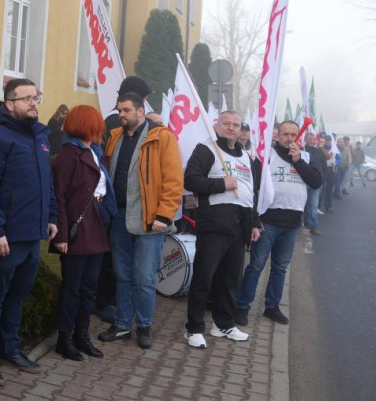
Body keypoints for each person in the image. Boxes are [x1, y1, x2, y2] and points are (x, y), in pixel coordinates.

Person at [0, 79, 58, 385]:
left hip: (32, 235)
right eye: (27, 99)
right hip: (6, 237)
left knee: (18, 297)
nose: (34, 103)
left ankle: (9, 348)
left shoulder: (40, 137)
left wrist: (51, 216)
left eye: (36, 98)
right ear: (9, 104)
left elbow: (46, 182)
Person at [98, 92, 183, 349]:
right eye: (119, 110)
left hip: (150, 220)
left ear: (140, 110)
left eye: (125, 110)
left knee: (144, 277)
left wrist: (163, 215)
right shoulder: (114, 138)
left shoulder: (163, 138)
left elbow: (173, 181)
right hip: (119, 216)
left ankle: (144, 325)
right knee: (122, 274)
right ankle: (123, 325)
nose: (121, 115)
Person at [183, 110, 261, 348]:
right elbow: (190, 180)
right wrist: (221, 184)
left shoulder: (246, 156)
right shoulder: (206, 149)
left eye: (236, 125)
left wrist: (255, 222)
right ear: (217, 125)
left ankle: (223, 324)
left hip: (240, 225)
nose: (231, 128)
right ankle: (194, 328)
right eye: (226, 123)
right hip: (215, 224)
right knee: (204, 278)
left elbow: (250, 192)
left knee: (230, 279)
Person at [236, 120, 322, 326]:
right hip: (268, 221)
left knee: (280, 268)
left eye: (293, 135)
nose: (289, 138)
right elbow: (253, 187)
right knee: (256, 265)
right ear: (277, 135)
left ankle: (272, 306)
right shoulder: (266, 156)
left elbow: (316, 182)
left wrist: (298, 161)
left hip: (292, 223)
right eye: (285, 134)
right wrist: (255, 220)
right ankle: (242, 306)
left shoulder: (307, 157)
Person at [49, 105, 116, 361]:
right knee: (73, 288)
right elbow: (60, 197)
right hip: (77, 229)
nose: (101, 129)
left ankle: (82, 335)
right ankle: (64, 339)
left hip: (96, 226)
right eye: (96, 124)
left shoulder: (94, 151)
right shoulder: (68, 155)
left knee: (89, 288)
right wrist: (62, 236)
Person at [303, 133, 327, 236]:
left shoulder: (318, 151)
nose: (312, 141)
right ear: (305, 140)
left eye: (313, 139)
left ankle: (314, 226)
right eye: (309, 139)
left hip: (316, 183)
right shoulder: (301, 150)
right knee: (302, 204)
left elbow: (324, 164)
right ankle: (302, 224)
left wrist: (322, 179)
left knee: (313, 205)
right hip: (304, 182)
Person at [320, 135, 337, 210]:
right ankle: (318, 206)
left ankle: (328, 206)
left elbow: (339, 158)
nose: (328, 141)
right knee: (321, 188)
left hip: (331, 169)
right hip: (323, 169)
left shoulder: (334, 148)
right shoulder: (320, 148)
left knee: (330, 188)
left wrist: (337, 163)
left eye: (329, 140)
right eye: (326, 140)